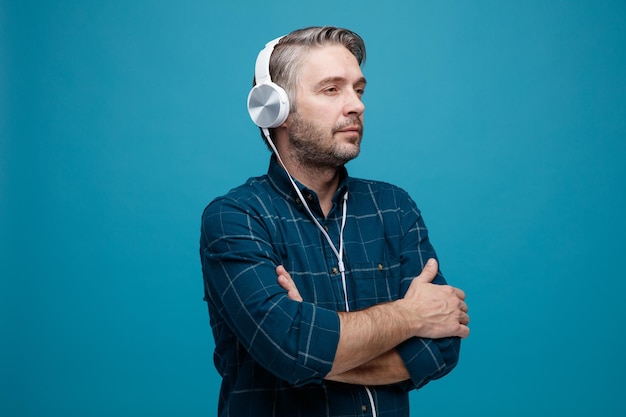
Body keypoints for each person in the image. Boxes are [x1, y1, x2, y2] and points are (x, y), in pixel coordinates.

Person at [199, 26, 470, 417]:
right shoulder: (236, 217)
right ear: (274, 109)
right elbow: (289, 348)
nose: (356, 105)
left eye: (358, 90)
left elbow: (440, 349)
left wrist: (313, 347)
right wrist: (411, 316)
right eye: (332, 89)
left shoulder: (393, 207)